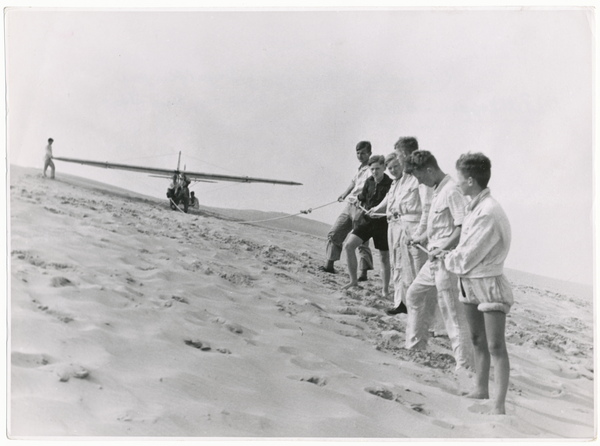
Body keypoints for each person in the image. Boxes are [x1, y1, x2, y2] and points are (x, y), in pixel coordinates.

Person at [441, 153, 513, 414]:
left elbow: (469, 254)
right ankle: (481, 389)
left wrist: (445, 257)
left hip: (488, 283)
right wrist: (451, 256)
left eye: (460, 179)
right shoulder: (475, 207)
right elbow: (465, 250)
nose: (457, 184)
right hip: (470, 281)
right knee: (476, 338)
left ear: (471, 180)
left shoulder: (488, 212)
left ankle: (499, 404)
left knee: (496, 346)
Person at [403, 150, 473, 371]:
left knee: (453, 316)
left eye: (420, 177)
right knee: (413, 294)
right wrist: (419, 238)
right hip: (433, 260)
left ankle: (465, 367)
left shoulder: (452, 190)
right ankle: (416, 347)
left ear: (430, 170)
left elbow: (463, 229)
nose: (419, 182)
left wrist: (442, 248)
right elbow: (438, 228)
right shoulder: (437, 189)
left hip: (447, 262)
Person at [368, 137, 431, 315]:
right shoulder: (401, 178)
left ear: (405, 154)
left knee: (417, 270)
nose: (395, 164)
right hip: (397, 225)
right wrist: (377, 208)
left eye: (398, 155)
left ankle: (421, 311)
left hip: (414, 227)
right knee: (399, 265)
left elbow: (427, 207)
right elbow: (391, 198)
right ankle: (401, 302)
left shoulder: (419, 176)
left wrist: (420, 233)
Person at [319, 141, 374, 279]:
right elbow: (353, 182)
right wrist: (345, 193)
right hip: (349, 205)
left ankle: (363, 274)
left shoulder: (372, 169)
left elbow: (372, 189)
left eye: (363, 153)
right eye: (358, 153)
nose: (360, 155)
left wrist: (365, 203)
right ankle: (329, 265)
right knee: (335, 233)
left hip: (362, 207)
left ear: (369, 154)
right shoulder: (360, 168)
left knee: (361, 241)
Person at [342, 155, 393, 295]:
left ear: (384, 167)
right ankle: (353, 280)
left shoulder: (391, 183)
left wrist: (381, 211)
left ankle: (385, 289)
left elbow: (391, 203)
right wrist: (355, 199)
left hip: (382, 224)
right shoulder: (369, 181)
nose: (375, 172)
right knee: (348, 245)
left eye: (377, 168)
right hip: (367, 221)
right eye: (372, 169)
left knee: (384, 257)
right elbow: (363, 197)